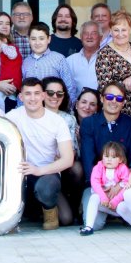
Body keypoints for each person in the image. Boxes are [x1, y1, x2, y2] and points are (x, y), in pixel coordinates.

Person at [7, 78, 74, 230]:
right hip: (21, 173)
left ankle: (49, 212)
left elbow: (68, 159)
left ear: (43, 95)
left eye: (37, 93)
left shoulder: (57, 121)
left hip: (47, 173)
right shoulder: (12, 116)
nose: (33, 98)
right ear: (21, 97)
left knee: (66, 218)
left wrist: (38, 170)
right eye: (28, 94)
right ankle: (8, 214)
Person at [79, 82, 131, 207]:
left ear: (123, 102)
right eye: (109, 97)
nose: (114, 101)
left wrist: (120, 185)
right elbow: (88, 159)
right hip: (97, 184)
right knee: (92, 216)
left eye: (119, 98)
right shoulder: (89, 123)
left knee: (128, 210)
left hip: (123, 184)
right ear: (101, 98)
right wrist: (100, 187)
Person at [95, 10, 131, 121]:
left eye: (124, 30)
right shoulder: (104, 54)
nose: (120, 34)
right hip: (116, 113)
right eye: (116, 30)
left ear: (130, 30)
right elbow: (105, 87)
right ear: (110, 31)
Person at [78, 141, 131, 236]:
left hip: (118, 203)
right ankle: (89, 226)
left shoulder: (123, 169)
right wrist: (103, 197)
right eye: (106, 156)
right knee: (94, 198)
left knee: (123, 207)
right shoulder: (98, 167)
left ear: (120, 159)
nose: (109, 159)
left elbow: (126, 186)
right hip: (104, 202)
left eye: (113, 157)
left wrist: (115, 201)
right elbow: (95, 183)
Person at [43, 76, 80, 222]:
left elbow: (73, 150)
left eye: (59, 93)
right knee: (65, 219)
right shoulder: (32, 115)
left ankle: (76, 205)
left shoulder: (69, 118)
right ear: (42, 94)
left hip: (62, 167)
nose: (55, 97)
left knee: (77, 168)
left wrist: (62, 159)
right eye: (50, 93)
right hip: (40, 168)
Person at [22, 23, 76, 100]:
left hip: (54, 105)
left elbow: (70, 87)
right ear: (29, 40)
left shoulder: (59, 59)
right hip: (32, 106)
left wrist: (67, 106)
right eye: (33, 39)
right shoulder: (25, 62)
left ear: (49, 39)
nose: (37, 43)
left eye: (41, 38)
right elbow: (23, 89)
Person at [67, 22, 102, 103]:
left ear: (101, 37)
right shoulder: (70, 61)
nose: (89, 36)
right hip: (77, 107)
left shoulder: (107, 59)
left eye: (94, 33)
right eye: (86, 33)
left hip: (101, 107)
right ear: (81, 37)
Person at [0, 31, 22, 109]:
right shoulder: (2, 54)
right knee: (8, 98)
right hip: (6, 81)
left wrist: (3, 45)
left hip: (13, 81)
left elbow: (13, 55)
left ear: (4, 40)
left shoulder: (11, 48)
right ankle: (9, 110)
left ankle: (2, 112)